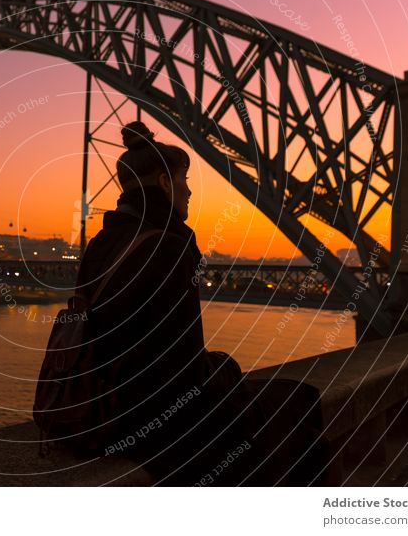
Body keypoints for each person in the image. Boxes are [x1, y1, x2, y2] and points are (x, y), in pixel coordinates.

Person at [73, 121, 329, 486]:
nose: (189, 191)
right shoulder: (170, 246)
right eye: (184, 179)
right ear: (164, 182)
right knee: (300, 402)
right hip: (156, 426)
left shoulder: (100, 245)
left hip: (101, 413)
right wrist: (226, 366)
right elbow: (186, 376)